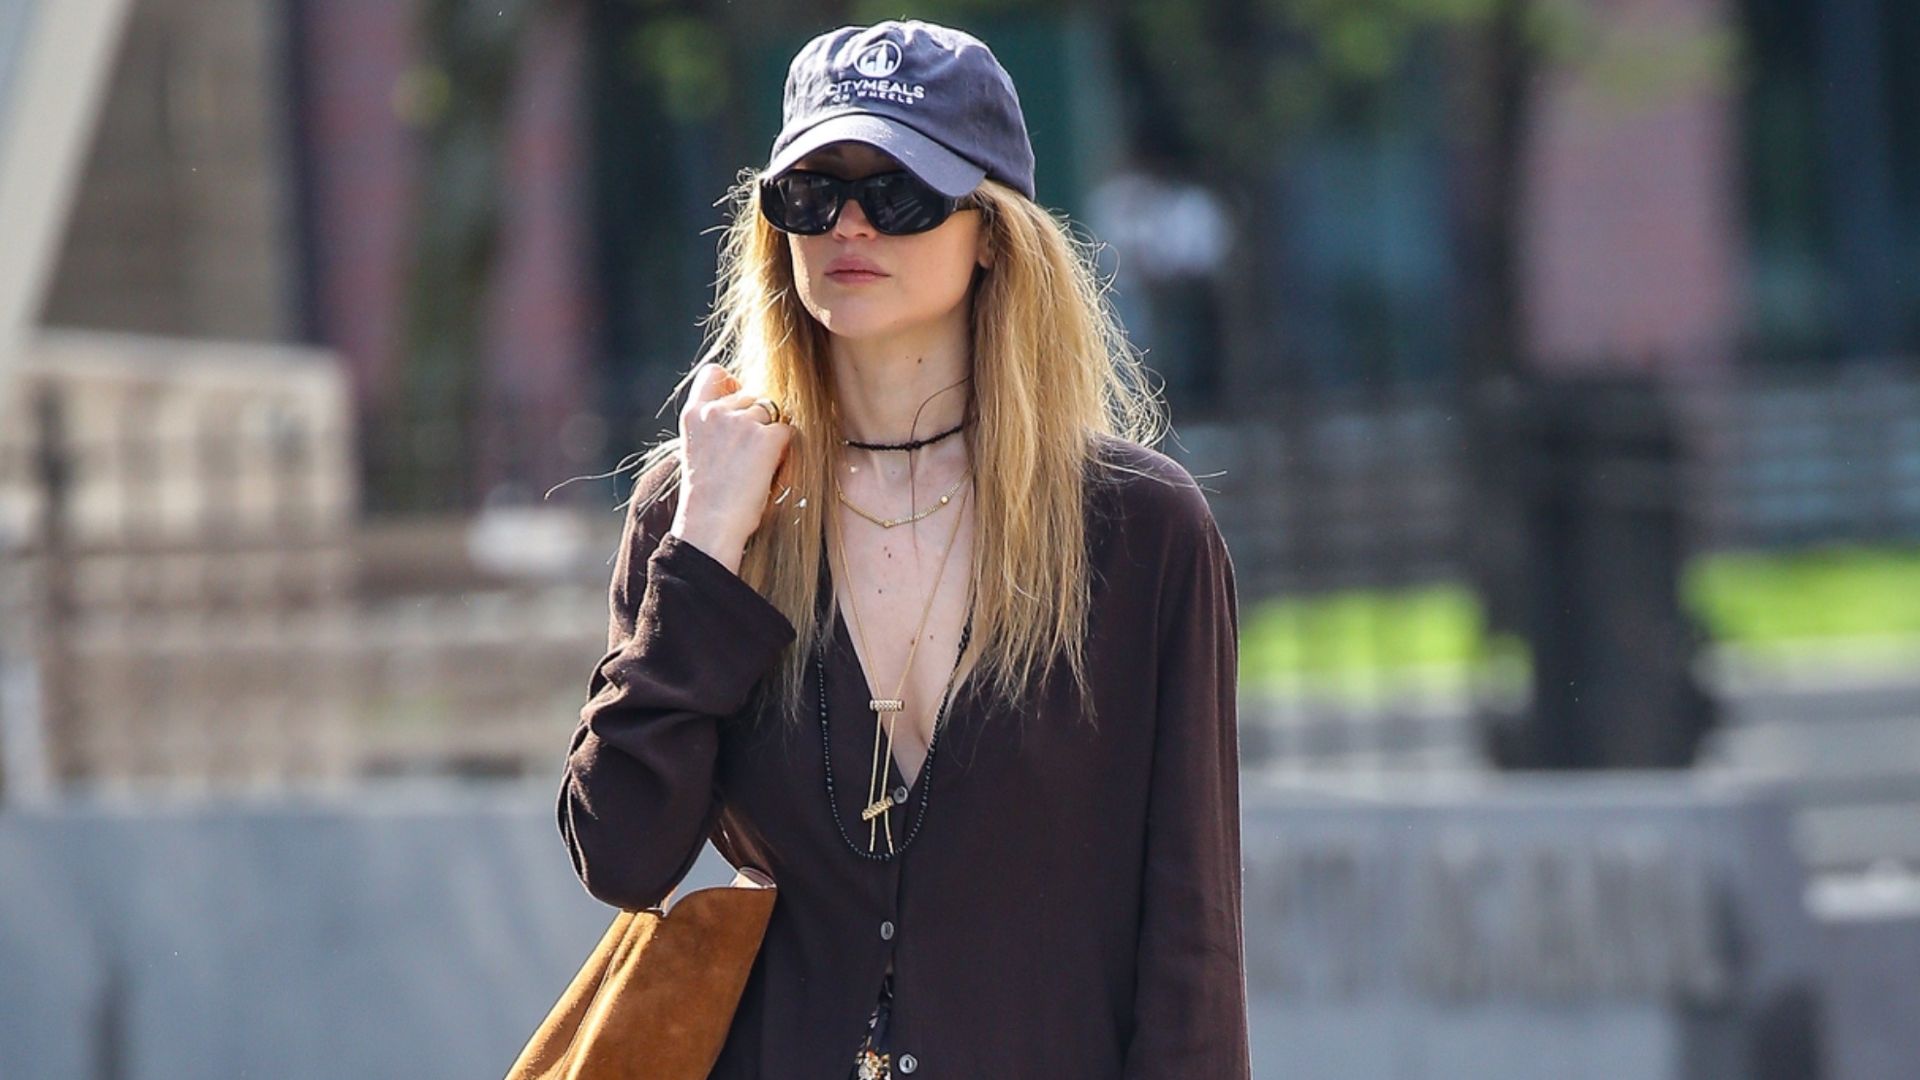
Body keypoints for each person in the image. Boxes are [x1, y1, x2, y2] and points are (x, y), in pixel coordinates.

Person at [556, 18, 1250, 1078]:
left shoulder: (1139, 533)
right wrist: (702, 547)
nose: (848, 225)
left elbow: (1190, 938)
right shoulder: (704, 509)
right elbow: (622, 853)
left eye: (899, 193)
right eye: (809, 192)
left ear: (992, 234)